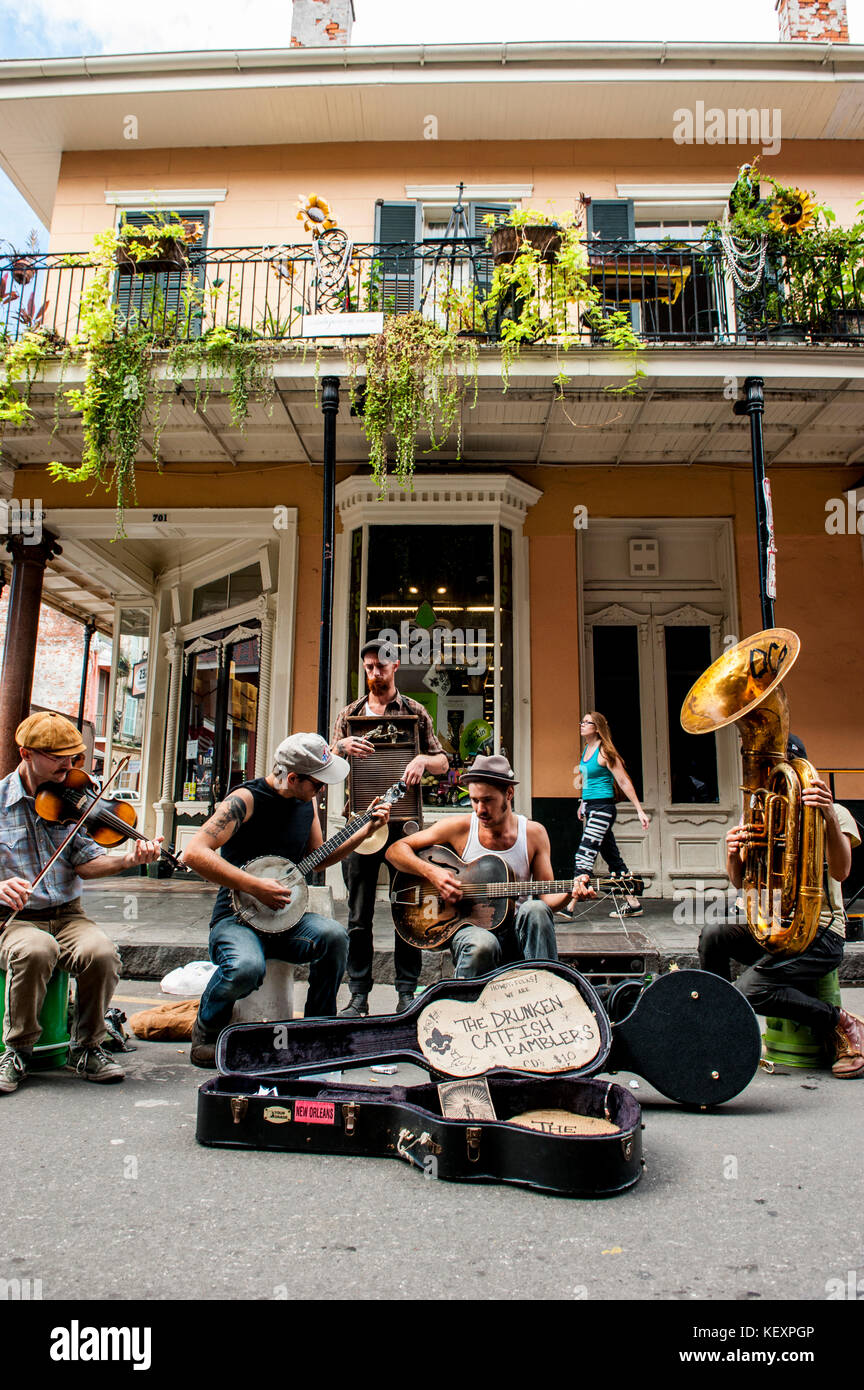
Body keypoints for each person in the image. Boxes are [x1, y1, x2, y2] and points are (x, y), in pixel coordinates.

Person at [181, 732, 391, 1066]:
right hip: (237, 918)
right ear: (292, 777)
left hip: (288, 920)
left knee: (334, 937)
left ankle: (316, 1030)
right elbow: (193, 852)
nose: (322, 791)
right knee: (246, 968)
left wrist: (361, 834)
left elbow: (316, 857)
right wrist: (254, 885)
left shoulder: (305, 802)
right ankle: (205, 1031)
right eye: (318, 784)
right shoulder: (245, 800)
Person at [0, 712, 163, 1095]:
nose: (71, 767)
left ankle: (87, 1047)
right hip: (16, 919)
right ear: (26, 753)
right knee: (36, 950)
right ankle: (18, 1050)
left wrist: (128, 859)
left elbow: (86, 865)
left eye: (75, 758)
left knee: (102, 952)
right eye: (59, 758)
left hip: (69, 915)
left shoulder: (76, 800)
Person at [699, 737, 864, 1080]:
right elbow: (740, 881)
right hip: (775, 928)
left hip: (820, 932)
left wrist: (828, 813)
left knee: (752, 989)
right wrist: (733, 853)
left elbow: (841, 871)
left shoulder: (836, 813)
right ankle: (718, 1026)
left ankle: (842, 1023)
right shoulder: (761, 812)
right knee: (713, 934)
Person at [386, 754, 596, 978]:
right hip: (471, 930)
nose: (479, 809)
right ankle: (462, 1006)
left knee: (535, 909)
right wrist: (434, 873)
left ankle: (545, 989)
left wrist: (570, 894)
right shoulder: (460, 827)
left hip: (516, 929)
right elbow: (395, 851)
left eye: (487, 800)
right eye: (475, 800)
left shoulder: (534, 834)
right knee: (483, 944)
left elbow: (547, 901)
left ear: (509, 794)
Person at [331, 638, 449, 1017]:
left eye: (380, 667)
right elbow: (326, 766)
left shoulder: (415, 713)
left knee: (408, 911)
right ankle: (358, 997)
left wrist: (421, 760)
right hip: (362, 825)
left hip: (405, 826)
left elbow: (444, 762)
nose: (374, 674)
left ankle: (406, 993)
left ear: (395, 666)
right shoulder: (349, 714)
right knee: (358, 915)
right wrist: (339, 749)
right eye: (367, 668)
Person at [574, 711, 649, 918]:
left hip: (603, 809)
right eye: (582, 721)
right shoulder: (587, 750)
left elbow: (624, 781)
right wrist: (583, 803)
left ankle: (570, 905)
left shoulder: (605, 752)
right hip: (591, 807)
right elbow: (586, 780)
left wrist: (639, 810)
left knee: (585, 853)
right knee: (613, 859)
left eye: (586, 722)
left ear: (597, 728)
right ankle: (633, 904)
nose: (582, 725)